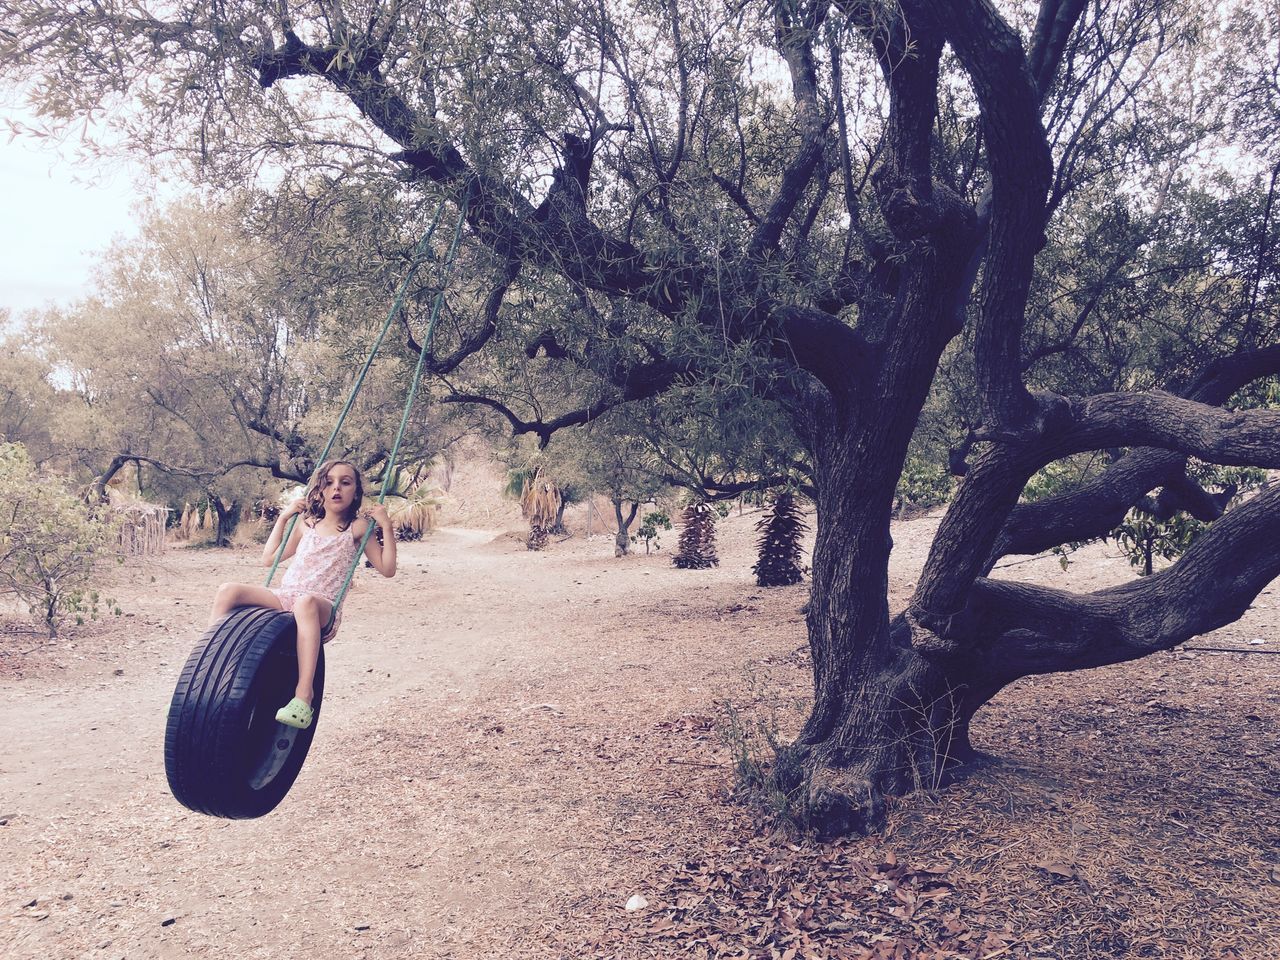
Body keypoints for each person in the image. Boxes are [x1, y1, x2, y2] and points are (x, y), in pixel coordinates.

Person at [207, 460, 397, 729]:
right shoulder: (305, 523)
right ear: (319, 490)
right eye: (328, 482)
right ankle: (208, 671)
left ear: (356, 492)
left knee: (304, 602)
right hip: (286, 596)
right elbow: (268, 558)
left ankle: (303, 697)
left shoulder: (359, 527)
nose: (336, 488)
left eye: (345, 482)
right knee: (228, 591)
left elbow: (387, 569)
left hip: (321, 607)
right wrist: (284, 518)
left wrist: (385, 527)